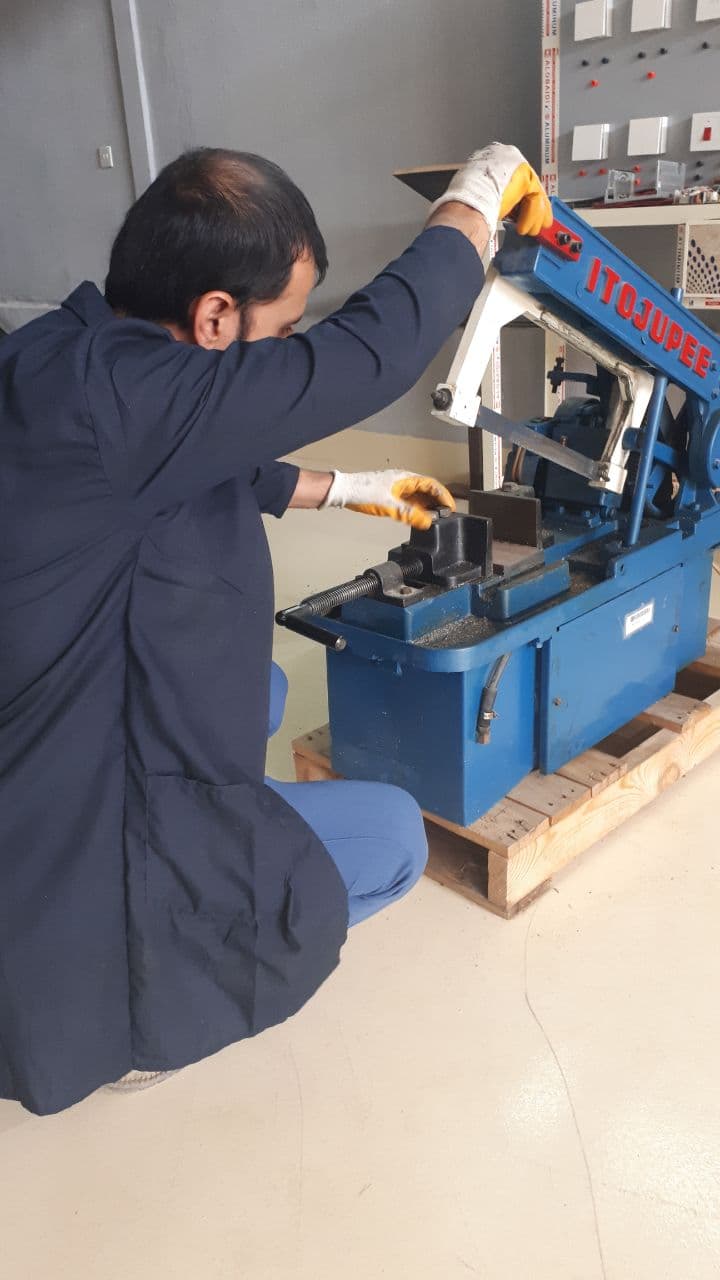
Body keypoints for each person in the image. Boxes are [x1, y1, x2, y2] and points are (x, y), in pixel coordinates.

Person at [0, 142, 551, 1114]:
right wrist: (476, 197)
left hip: (40, 733)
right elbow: (371, 353)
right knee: (392, 838)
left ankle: (201, 849)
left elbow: (198, 446)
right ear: (216, 315)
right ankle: (142, 1017)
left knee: (260, 689)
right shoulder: (130, 401)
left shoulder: (71, 352)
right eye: (286, 329)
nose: (294, 344)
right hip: (77, 819)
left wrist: (345, 488)